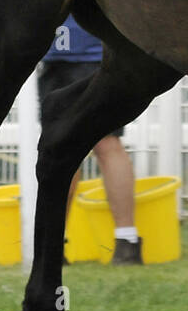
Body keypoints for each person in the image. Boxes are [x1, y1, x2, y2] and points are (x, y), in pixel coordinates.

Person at [38, 14, 142, 264]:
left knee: (99, 144)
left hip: (89, 54)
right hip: (68, 56)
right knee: (76, 148)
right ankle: (125, 242)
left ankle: (125, 239)